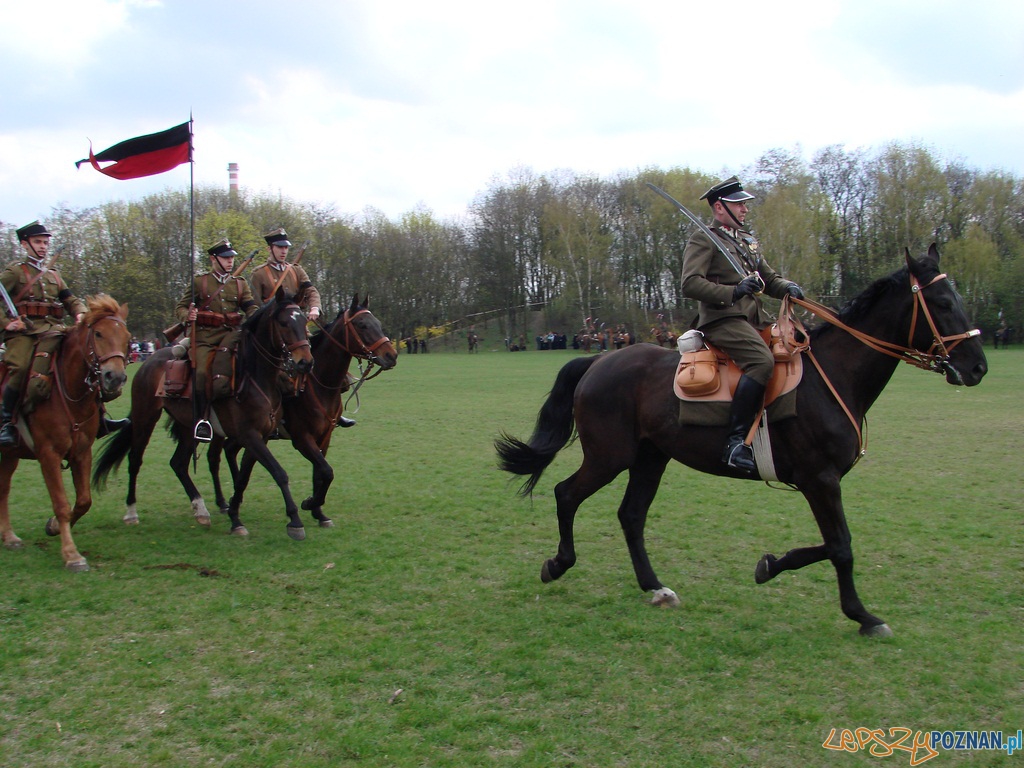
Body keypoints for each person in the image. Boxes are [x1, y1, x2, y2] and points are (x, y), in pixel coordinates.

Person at [681, 177, 804, 474]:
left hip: (754, 319)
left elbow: (769, 280)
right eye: (739, 204)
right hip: (723, 319)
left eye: (745, 203)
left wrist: (788, 287)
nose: (745, 209)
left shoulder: (745, 241)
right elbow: (690, 283)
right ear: (720, 208)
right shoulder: (704, 239)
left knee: (796, 349)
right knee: (761, 362)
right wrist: (733, 291)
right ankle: (735, 444)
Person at [0, 221, 126, 448]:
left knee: (85, 361)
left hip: (54, 329)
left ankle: (101, 416)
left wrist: (81, 314)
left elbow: (70, 299)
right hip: (25, 333)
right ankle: (7, 422)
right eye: (37, 242)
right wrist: (7, 323)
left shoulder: (53, 274)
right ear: (24, 244)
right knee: (19, 367)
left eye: (45, 243)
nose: (42, 247)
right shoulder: (15, 271)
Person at [249, 227, 355, 428]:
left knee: (328, 369)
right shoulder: (259, 274)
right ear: (270, 248)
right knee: (282, 376)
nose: (283, 251)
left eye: (285, 247)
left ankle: (334, 412)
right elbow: (253, 308)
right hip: (275, 333)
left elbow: (311, 290)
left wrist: (315, 307)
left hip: (298, 330)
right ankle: (280, 416)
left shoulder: (295, 270)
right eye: (279, 247)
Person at [174, 239, 258, 441]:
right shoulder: (200, 282)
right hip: (206, 339)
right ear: (214, 259)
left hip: (232, 336)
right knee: (202, 372)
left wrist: (257, 318)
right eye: (226, 258)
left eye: (232, 258)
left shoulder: (240, 284)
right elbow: (181, 307)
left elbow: (250, 307)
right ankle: (202, 420)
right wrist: (188, 316)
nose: (230, 262)